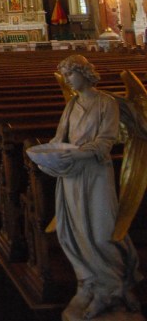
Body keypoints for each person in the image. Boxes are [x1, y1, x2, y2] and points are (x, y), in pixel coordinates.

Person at [27, 55, 141, 319]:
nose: (66, 81)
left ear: (84, 73)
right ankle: (87, 283)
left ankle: (112, 288)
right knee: (71, 230)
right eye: (65, 76)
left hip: (95, 174)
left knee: (101, 231)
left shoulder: (107, 104)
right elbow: (59, 137)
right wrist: (45, 153)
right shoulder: (72, 105)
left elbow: (106, 141)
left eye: (70, 75)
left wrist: (79, 154)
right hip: (71, 175)